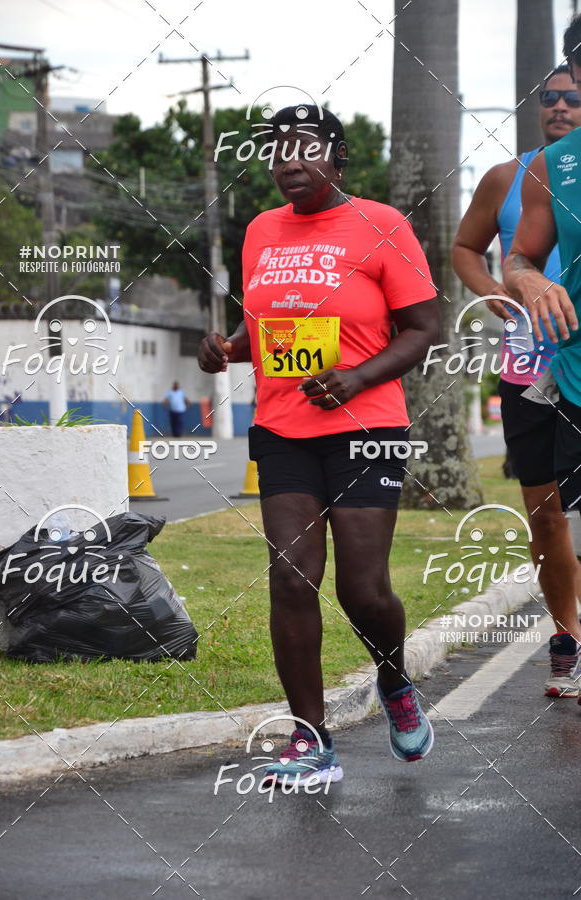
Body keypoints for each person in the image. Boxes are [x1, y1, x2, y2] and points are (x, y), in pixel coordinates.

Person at [198, 106, 439, 784]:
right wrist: (225, 349)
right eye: (278, 153)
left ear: (337, 159)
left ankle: (393, 681)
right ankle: (312, 741)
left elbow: (423, 328)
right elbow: (267, 330)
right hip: (283, 428)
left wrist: (358, 376)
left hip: (366, 427)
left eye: (306, 150)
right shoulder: (259, 232)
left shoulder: (381, 225)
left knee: (363, 591)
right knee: (290, 572)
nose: (289, 163)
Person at [453, 63, 581, 698]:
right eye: (548, 98)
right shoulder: (516, 176)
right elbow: (464, 248)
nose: (558, 107)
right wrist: (495, 294)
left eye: (572, 98)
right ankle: (567, 637)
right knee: (548, 517)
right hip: (529, 370)